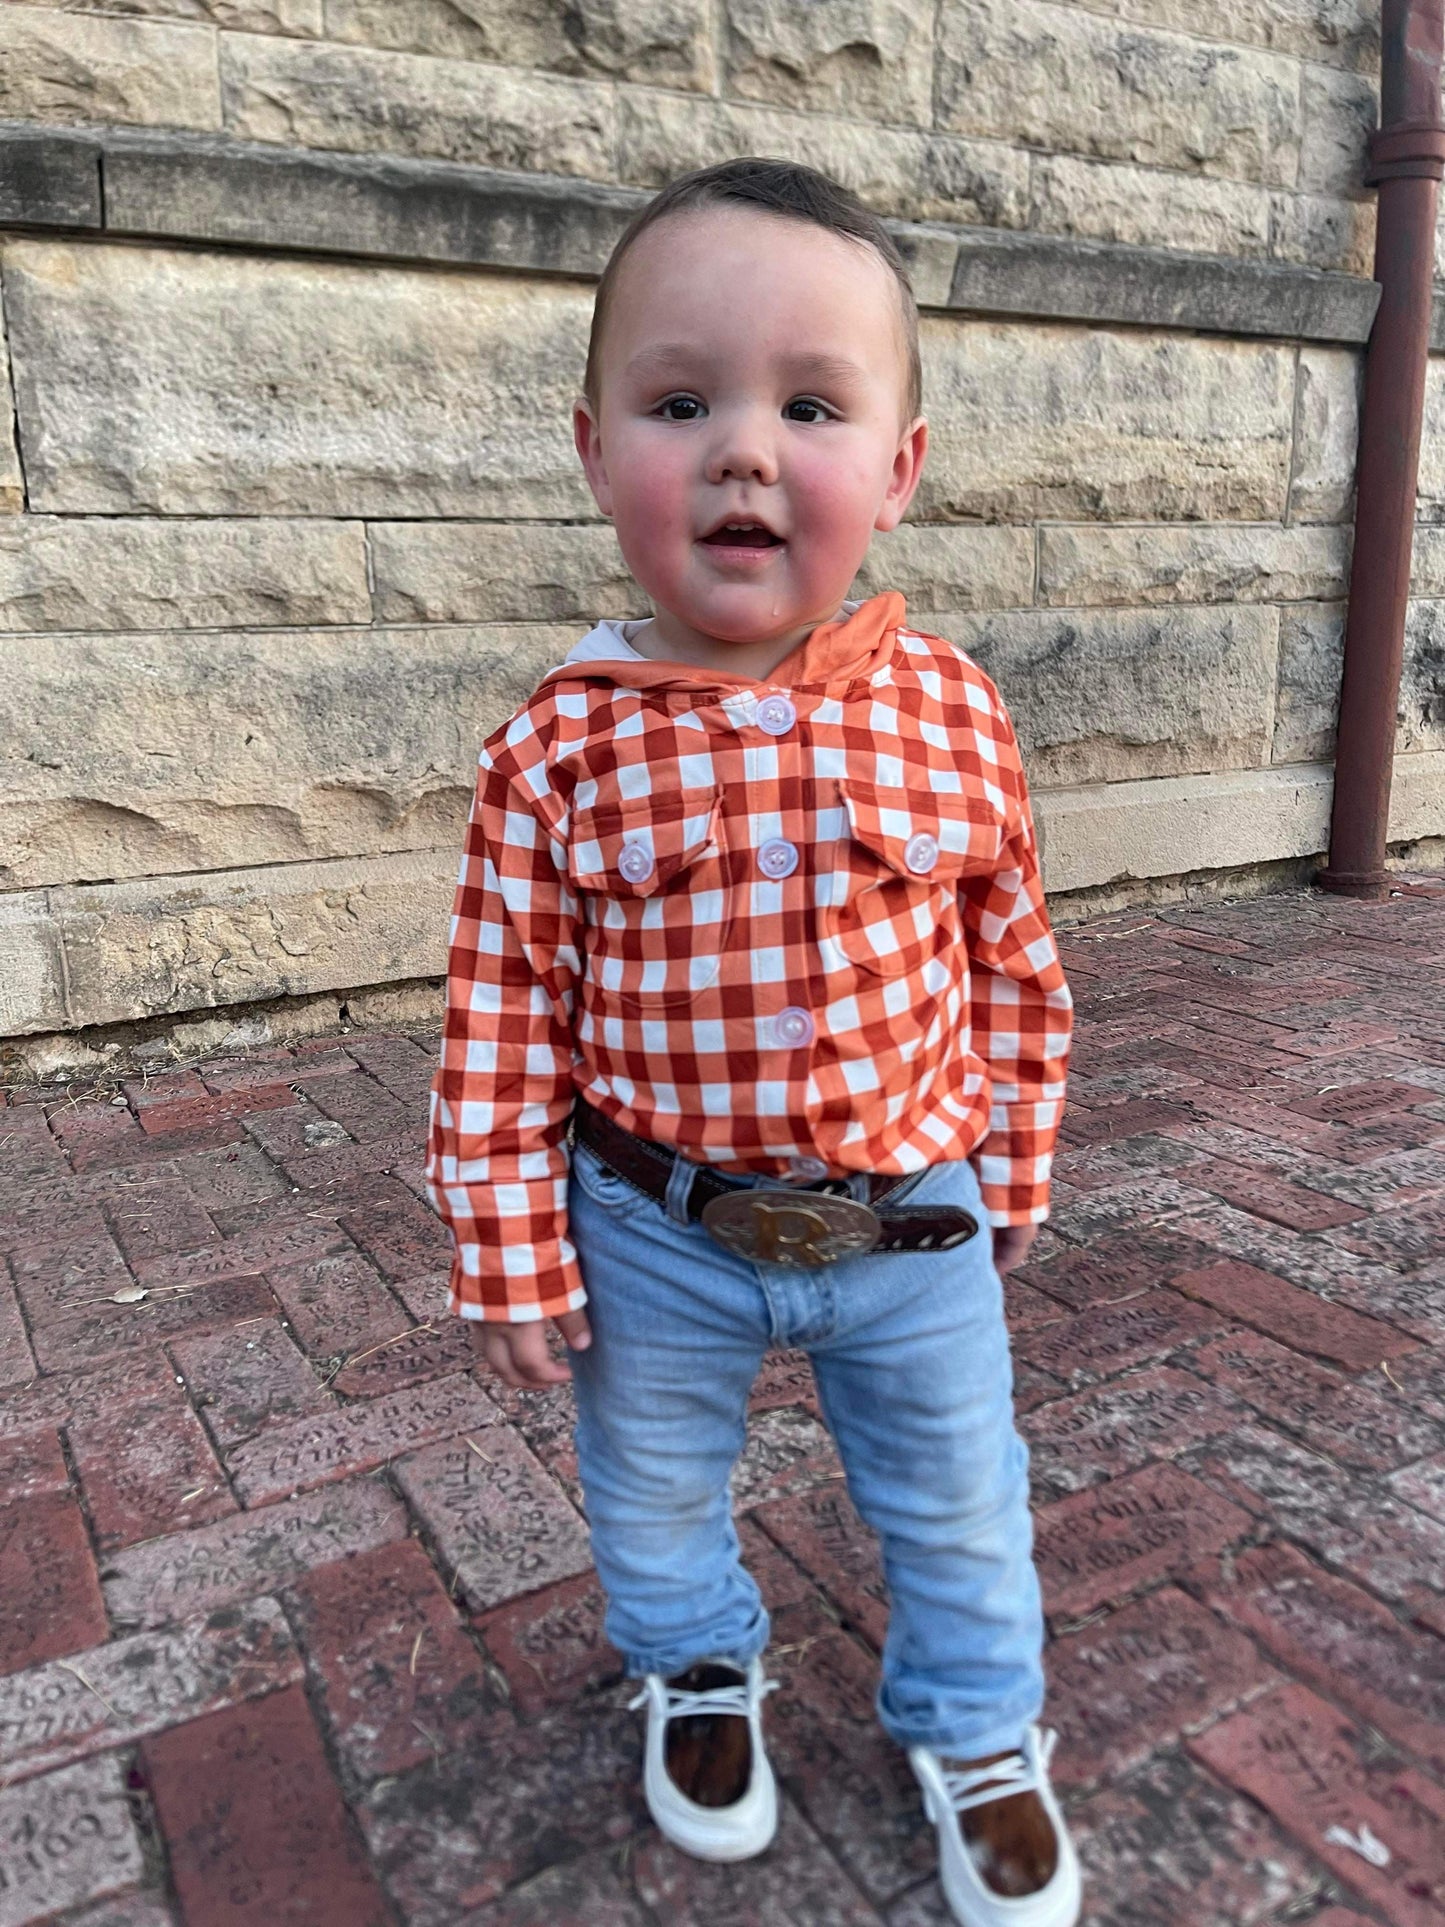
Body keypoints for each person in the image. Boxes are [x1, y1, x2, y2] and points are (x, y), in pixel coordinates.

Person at [427, 156, 1078, 1927]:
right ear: (591, 448)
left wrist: (1011, 1153)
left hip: (914, 1221)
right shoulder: (553, 748)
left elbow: (1009, 954)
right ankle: (698, 1665)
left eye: (809, 404)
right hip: (655, 1229)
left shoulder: (951, 711)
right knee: (645, 1489)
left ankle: (975, 1725)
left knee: (956, 1499)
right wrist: (507, 1253)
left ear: (897, 467)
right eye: (680, 399)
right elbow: (500, 1019)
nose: (741, 448)